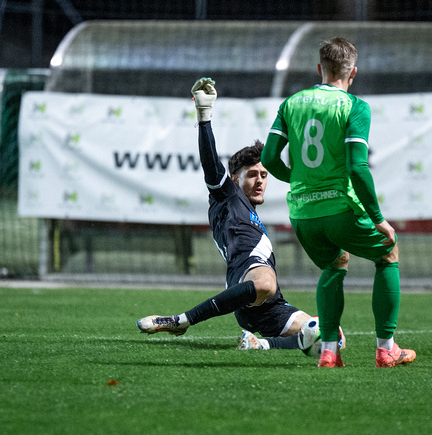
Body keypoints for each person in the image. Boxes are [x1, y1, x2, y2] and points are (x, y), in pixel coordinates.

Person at [137, 77, 337, 353]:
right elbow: (210, 163)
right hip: (249, 279)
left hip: (270, 305)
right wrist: (204, 115)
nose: (260, 180)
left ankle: (260, 345)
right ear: (233, 178)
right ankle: (181, 320)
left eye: (264, 175)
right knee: (266, 282)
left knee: (332, 336)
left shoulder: (249, 212)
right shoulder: (228, 196)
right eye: (253, 174)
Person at [261, 38, 416, 368]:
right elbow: (358, 167)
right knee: (388, 252)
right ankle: (386, 348)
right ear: (353, 72)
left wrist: (299, 180)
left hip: (302, 213)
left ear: (319, 69)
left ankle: (329, 350)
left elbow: (269, 158)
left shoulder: (292, 103)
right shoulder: (355, 106)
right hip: (339, 209)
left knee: (335, 264)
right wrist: (378, 217)